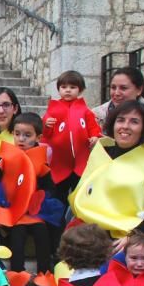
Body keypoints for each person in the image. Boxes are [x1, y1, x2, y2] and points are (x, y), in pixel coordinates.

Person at [69, 100, 144, 251]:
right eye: (120, 120)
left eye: (134, 122)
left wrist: (133, 236)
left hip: (129, 235)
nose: (125, 126)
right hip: (92, 231)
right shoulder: (102, 151)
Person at [0, 112, 58, 286]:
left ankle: (44, 274)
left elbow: (49, 186)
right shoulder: (5, 156)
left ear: (38, 137)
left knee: (42, 232)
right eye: (17, 134)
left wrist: (41, 199)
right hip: (12, 210)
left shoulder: (40, 159)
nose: (21, 139)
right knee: (17, 234)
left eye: (27, 135)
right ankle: (17, 274)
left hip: (33, 211)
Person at [42, 70, 102, 201]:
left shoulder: (85, 110)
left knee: (80, 193)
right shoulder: (53, 109)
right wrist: (47, 125)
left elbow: (93, 127)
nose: (68, 90)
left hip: (81, 162)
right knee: (58, 195)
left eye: (72, 87)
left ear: (80, 90)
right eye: (64, 87)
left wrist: (95, 136)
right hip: (59, 162)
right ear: (58, 90)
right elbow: (45, 134)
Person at [93, 66, 144, 156]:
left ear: (139, 90)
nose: (116, 93)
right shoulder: (97, 113)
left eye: (123, 88)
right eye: (113, 87)